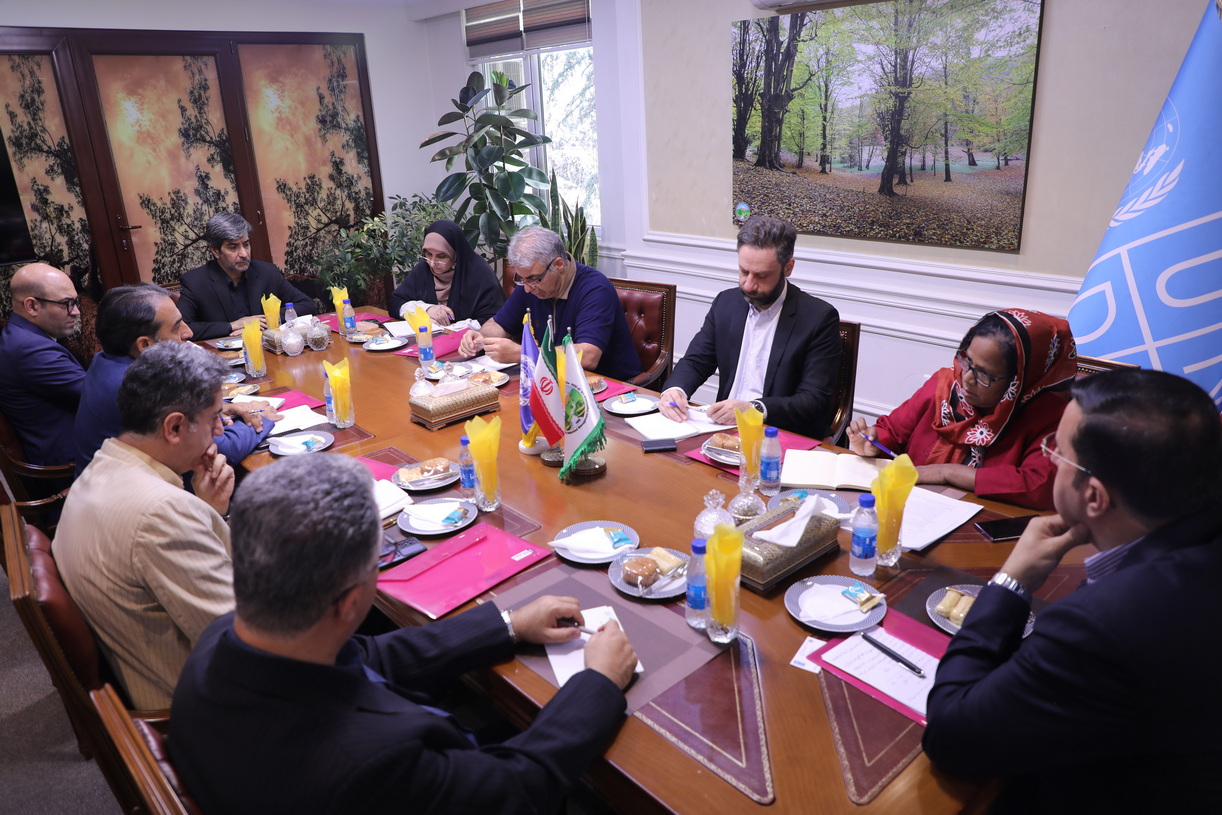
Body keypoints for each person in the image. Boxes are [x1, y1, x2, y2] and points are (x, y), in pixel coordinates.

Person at [170, 454, 638, 815]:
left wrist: (509, 624)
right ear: (350, 602)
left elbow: (369, 656)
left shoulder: (222, 641)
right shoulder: (373, 760)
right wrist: (597, 682)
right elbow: (517, 788)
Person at [923, 369, 1222, 810]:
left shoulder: (1102, 625)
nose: (1050, 461)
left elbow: (952, 737)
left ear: (1094, 497)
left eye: (1058, 453)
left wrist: (1012, 579)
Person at [53, 342, 235, 709]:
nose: (219, 430)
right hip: (210, 706)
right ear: (174, 426)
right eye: (214, 417)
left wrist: (209, 513)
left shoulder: (104, 464)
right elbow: (246, 641)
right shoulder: (163, 514)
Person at [848, 309, 1075, 509]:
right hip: (913, 508)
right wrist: (872, 444)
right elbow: (892, 431)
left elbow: (1040, 485)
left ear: (1020, 380)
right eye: (967, 360)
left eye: (984, 374)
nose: (966, 378)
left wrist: (947, 472)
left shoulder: (1049, 415)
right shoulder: (943, 386)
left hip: (983, 524)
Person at [658, 216, 841, 437]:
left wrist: (754, 409)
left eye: (762, 276)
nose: (748, 285)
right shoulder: (726, 303)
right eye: (744, 271)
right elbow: (697, 361)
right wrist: (675, 390)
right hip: (723, 431)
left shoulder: (818, 318)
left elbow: (814, 400)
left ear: (788, 267)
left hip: (779, 434)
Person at [73, 283, 279, 477]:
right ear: (145, 345)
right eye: (176, 327)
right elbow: (218, 451)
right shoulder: (145, 386)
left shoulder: (105, 361)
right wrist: (261, 418)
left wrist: (222, 408)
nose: (188, 332)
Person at [457, 226, 640, 381]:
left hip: (607, 387)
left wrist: (523, 354)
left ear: (559, 265)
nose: (527, 288)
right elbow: (499, 324)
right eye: (521, 279)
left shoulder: (595, 289)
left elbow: (588, 356)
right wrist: (480, 338)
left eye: (533, 279)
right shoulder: (530, 285)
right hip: (553, 380)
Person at [178, 213, 315, 340]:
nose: (244, 254)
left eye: (246, 244)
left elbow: (307, 305)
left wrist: (266, 320)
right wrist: (231, 326)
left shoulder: (267, 272)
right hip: (223, 354)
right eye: (233, 247)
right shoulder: (195, 282)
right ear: (215, 251)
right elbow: (182, 328)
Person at [0, 262, 86, 465]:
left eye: (76, 302)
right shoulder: (30, 350)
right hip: (72, 466)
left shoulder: (18, 337)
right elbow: (102, 394)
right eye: (67, 303)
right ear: (32, 306)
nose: (76, 312)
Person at [388, 219, 505, 326]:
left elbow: (494, 320)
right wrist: (427, 309)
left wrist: (451, 328)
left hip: (469, 340)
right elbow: (395, 302)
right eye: (428, 254)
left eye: (441, 256)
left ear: (455, 253)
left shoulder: (479, 273)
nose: (432, 263)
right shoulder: (424, 268)